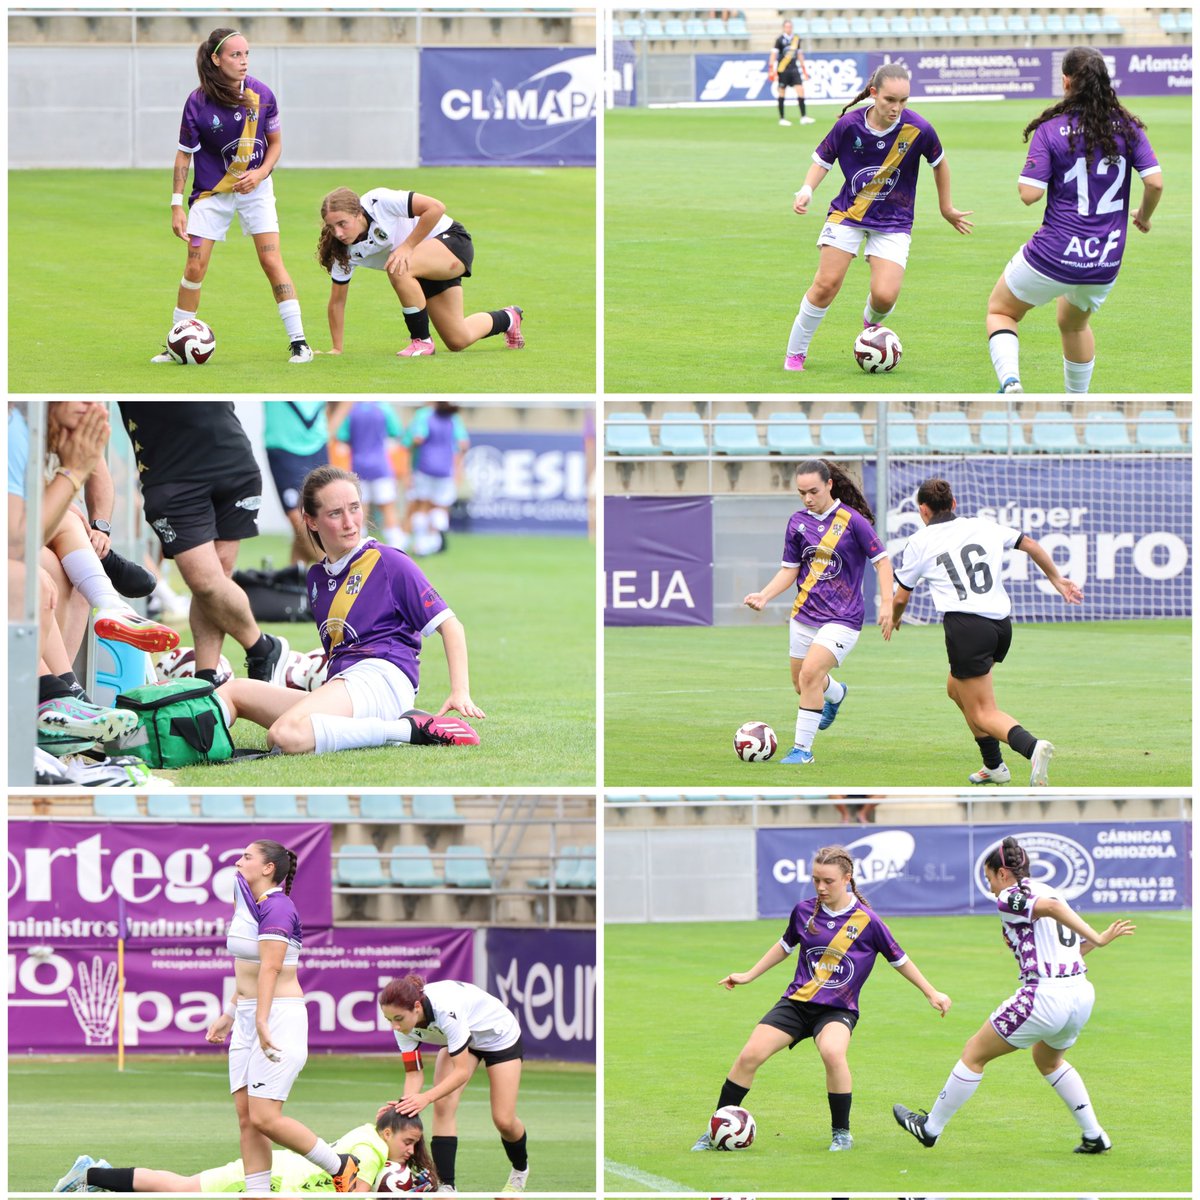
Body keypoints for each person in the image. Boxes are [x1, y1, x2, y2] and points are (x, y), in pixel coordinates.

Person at [690, 845, 951, 1154]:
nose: (821, 887)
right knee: (749, 1055)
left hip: (838, 1010)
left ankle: (842, 1134)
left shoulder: (867, 921)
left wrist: (931, 992)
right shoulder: (804, 911)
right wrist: (748, 975)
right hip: (796, 1003)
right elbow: (784, 946)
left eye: (828, 881)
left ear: (847, 878)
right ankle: (716, 1129)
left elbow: (899, 959)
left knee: (832, 1053)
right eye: (816, 880)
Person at [213, 465, 484, 755]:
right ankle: (193, 746)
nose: (349, 522)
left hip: (383, 680)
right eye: (335, 513)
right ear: (311, 521)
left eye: (354, 508)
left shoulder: (387, 561)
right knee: (235, 691)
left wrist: (460, 692)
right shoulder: (316, 577)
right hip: (345, 684)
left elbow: (450, 625)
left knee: (285, 735)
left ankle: (407, 729)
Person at [893, 836, 1135, 1153]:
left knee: (974, 1053)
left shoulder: (1010, 896)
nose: (991, 888)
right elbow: (1068, 947)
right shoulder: (1048, 889)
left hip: (1045, 996)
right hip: (1080, 993)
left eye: (989, 879)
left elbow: (1052, 909)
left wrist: (1099, 939)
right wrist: (1094, 941)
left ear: (1003, 873)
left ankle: (931, 1128)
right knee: (1048, 1060)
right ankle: (1094, 1135)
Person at [986, 46, 1163, 394]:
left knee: (1001, 311)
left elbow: (1029, 194)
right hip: (1105, 259)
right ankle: (1076, 405)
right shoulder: (1128, 127)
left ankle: (1011, 383)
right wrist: (1143, 216)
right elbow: (1155, 182)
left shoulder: (1051, 129)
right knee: (1074, 324)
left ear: (1066, 82)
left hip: (1054, 253)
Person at [890, 477, 1084, 787]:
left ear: (923, 510)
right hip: (1000, 626)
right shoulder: (982, 526)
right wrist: (1056, 579)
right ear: (954, 504)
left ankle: (1032, 747)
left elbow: (901, 597)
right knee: (956, 689)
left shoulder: (920, 541)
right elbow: (1030, 544)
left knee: (983, 712)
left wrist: (894, 618)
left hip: (967, 629)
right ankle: (994, 766)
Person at [783, 63, 973, 372]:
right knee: (826, 284)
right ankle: (795, 354)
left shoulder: (919, 128)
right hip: (849, 212)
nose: (897, 108)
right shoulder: (849, 125)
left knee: (884, 297)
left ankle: (870, 324)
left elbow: (939, 163)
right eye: (890, 100)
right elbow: (822, 160)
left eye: (903, 100)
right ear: (874, 94)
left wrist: (946, 208)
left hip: (895, 220)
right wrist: (806, 189)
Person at [201, 840, 361, 1193]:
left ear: (268, 868)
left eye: (247, 857)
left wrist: (261, 1021)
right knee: (247, 1118)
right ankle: (258, 1193)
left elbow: (271, 969)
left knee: (265, 1117)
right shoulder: (248, 901)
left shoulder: (279, 907)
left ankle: (341, 1165)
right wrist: (231, 1013)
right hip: (249, 1016)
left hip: (279, 1018)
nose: (238, 861)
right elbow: (247, 968)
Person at [152, 28, 313, 365]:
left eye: (246, 54)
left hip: (256, 190)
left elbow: (276, 144)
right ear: (216, 59)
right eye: (235, 55)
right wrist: (176, 204)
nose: (244, 61)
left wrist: (261, 173)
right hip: (211, 193)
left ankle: (299, 342)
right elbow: (184, 154)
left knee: (271, 260)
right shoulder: (197, 102)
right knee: (194, 265)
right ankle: (175, 343)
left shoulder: (262, 94)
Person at [115, 403, 290, 687]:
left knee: (217, 580)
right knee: (206, 582)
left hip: (232, 460)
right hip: (171, 475)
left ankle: (206, 678)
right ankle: (262, 647)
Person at [742, 460, 893, 765]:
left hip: (843, 618)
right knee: (802, 684)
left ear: (829, 485)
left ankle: (802, 751)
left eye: (813, 491)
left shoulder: (852, 521)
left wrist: (887, 603)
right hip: (804, 615)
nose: (808, 498)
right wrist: (765, 595)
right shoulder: (797, 522)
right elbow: (790, 569)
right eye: (802, 493)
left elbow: (882, 561)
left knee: (811, 675)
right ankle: (836, 694)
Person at [316, 186, 524, 358]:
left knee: (398, 265)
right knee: (458, 339)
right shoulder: (341, 253)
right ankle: (509, 318)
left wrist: (407, 247)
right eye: (332, 227)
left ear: (358, 213)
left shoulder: (378, 202)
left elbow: (436, 207)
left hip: (451, 242)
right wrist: (336, 348)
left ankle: (421, 341)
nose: (338, 233)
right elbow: (337, 303)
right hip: (420, 269)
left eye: (342, 224)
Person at [52, 1107, 437, 1193]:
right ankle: (90, 1174)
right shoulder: (371, 1148)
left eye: (415, 1145)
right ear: (388, 1132)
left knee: (182, 1187)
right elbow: (357, 1193)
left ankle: (97, 1173)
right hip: (275, 1179)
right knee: (182, 1188)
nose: (410, 1150)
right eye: (407, 1142)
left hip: (281, 1176)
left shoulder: (370, 1133)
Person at [379, 974, 530, 1192]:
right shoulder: (402, 1026)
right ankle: (447, 1186)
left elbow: (461, 1072)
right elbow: (413, 1075)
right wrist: (404, 1109)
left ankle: (520, 1171)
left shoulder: (445, 1010)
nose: (394, 1026)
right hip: (460, 1038)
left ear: (417, 1007)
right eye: (389, 1019)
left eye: (398, 1019)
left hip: (498, 1036)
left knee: (503, 1120)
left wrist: (425, 1097)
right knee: (443, 1105)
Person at [262, 401, 352, 568]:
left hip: (317, 445)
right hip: (282, 445)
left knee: (315, 513)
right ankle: (337, 570)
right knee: (298, 517)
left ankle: (295, 579)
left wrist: (330, 428)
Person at [336, 402, 409, 550]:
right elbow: (396, 431)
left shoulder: (351, 410)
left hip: (358, 468)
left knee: (359, 510)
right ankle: (397, 548)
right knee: (388, 508)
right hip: (381, 467)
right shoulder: (384, 408)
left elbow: (342, 436)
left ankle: (357, 548)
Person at [407, 403, 469, 555]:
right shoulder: (453, 417)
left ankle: (421, 543)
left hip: (425, 466)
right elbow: (463, 444)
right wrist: (458, 468)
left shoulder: (424, 414)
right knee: (440, 507)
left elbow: (417, 438)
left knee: (422, 506)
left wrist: (410, 449)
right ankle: (435, 541)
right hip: (445, 468)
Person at [768, 20, 813, 127]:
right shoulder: (779, 40)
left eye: (790, 27)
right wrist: (771, 69)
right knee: (782, 92)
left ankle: (803, 117)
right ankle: (782, 118)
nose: (788, 29)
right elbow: (773, 54)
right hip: (783, 69)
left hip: (794, 69)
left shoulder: (796, 39)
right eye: (787, 27)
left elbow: (799, 54)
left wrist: (804, 69)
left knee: (800, 90)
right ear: (784, 28)